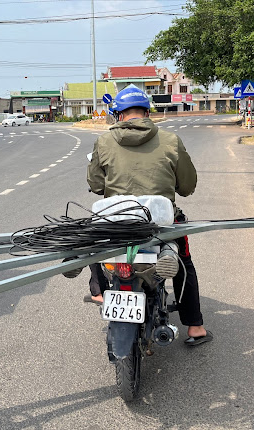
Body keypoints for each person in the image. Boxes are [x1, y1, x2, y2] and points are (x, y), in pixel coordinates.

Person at [85, 85, 211, 346]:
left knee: (94, 239)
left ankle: (99, 292)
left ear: (118, 115)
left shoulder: (104, 141)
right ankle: (195, 327)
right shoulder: (170, 140)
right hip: (160, 222)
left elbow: (96, 185)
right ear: (147, 113)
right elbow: (187, 187)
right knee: (183, 262)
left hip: (119, 223)